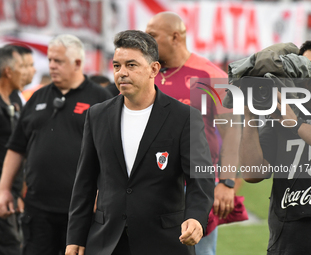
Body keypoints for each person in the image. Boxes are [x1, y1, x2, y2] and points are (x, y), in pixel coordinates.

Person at [65, 30, 215, 255]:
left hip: (164, 242)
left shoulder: (184, 117)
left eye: (131, 65)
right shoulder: (97, 115)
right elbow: (84, 182)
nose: (122, 73)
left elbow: (200, 178)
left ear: (153, 69)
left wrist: (195, 217)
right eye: (117, 66)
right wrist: (75, 237)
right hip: (107, 242)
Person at [0, 34, 111, 255]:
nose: (52, 66)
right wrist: (4, 189)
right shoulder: (37, 97)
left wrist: (104, 191)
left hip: (81, 210)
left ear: (78, 63)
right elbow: (16, 147)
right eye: (50, 60)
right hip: (38, 208)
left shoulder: (100, 99)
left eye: (58, 61)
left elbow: (111, 152)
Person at [146, 12, 241, 254]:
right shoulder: (147, 75)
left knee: (198, 251)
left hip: (195, 186)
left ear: (175, 37)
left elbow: (233, 132)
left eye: (152, 35)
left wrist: (227, 183)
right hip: (149, 184)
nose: (146, 41)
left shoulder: (210, 75)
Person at [240, 39, 311, 255]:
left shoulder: (290, 116)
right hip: (287, 243)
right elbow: (252, 173)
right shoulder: (283, 109)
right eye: (306, 67)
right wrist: (249, 114)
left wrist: (296, 125)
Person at [0, 46, 25, 255]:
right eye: (21, 67)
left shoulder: (16, 100)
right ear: (8, 71)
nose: (25, 72)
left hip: (11, 195)